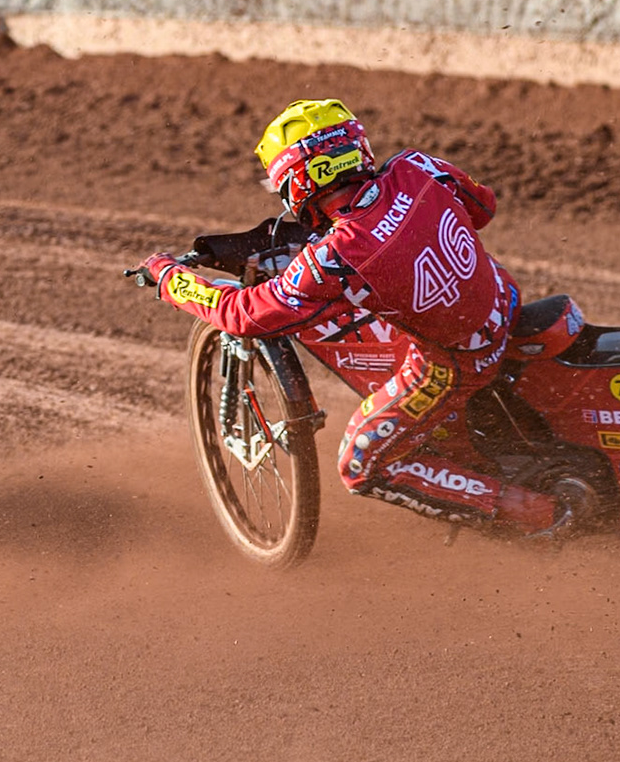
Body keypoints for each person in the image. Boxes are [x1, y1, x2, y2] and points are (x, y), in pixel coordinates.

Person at [138, 99, 565, 536]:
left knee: (360, 465)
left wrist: (169, 276)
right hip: (503, 296)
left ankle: (528, 513)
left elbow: (241, 313)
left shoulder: (334, 258)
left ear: (297, 183)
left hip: (458, 362)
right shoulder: (417, 167)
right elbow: (483, 208)